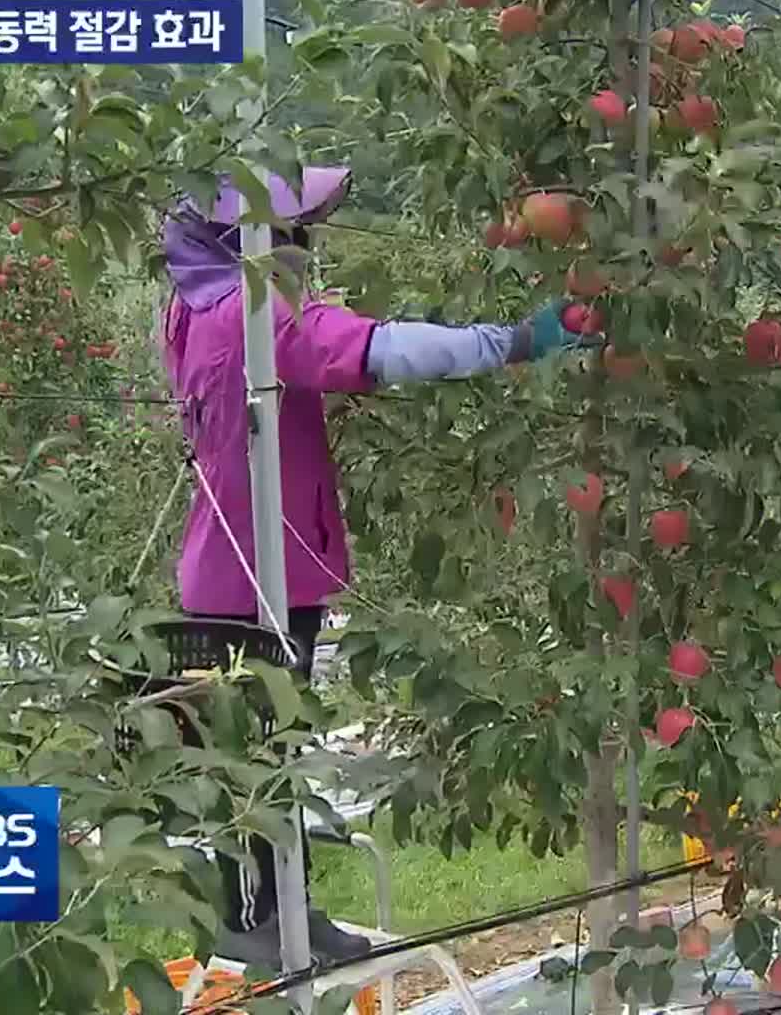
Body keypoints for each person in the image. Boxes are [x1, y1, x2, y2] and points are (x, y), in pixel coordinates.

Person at [159, 166, 594, 966]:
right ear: (244, 243)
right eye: (290, 233)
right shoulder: (251, 315)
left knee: (265, 745)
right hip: (254, 574)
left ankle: (284, 910)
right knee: (256, 748)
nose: (304, 247)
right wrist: (516, 342)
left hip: (244, 564)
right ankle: (256, 918)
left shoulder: (197, 309)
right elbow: (378, 350)